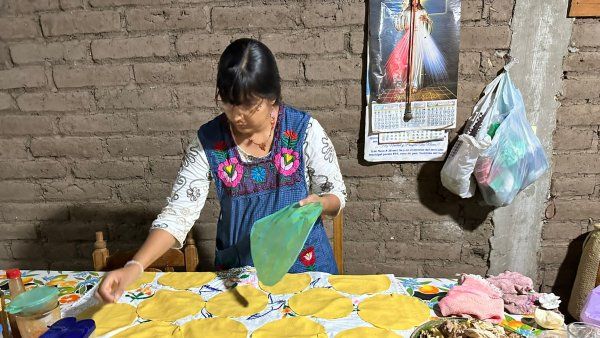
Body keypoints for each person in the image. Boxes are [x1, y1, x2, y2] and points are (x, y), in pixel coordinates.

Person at [97, 38, 347, 303]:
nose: (237, 116)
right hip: (242, 277)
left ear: (271, 97)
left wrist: (320, 203)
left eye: (248, 105)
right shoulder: (208, 141)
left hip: (305, 271)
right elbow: (178, 214)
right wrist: (134, 267)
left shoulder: (304, 130)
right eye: (228, 103)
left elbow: (336, 197)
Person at [384, 0, 447, 92]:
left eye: (416, 0)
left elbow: (429, 24)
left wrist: (426, 21)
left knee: (417, 60)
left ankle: (415, 84)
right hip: (408, 37)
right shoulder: (406, 12)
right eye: (413, 0)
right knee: (407, 60)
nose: (415, 2)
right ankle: (406, 83)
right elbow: (399, 24)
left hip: (419, 37)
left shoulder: (422, 11)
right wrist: (404, 25)